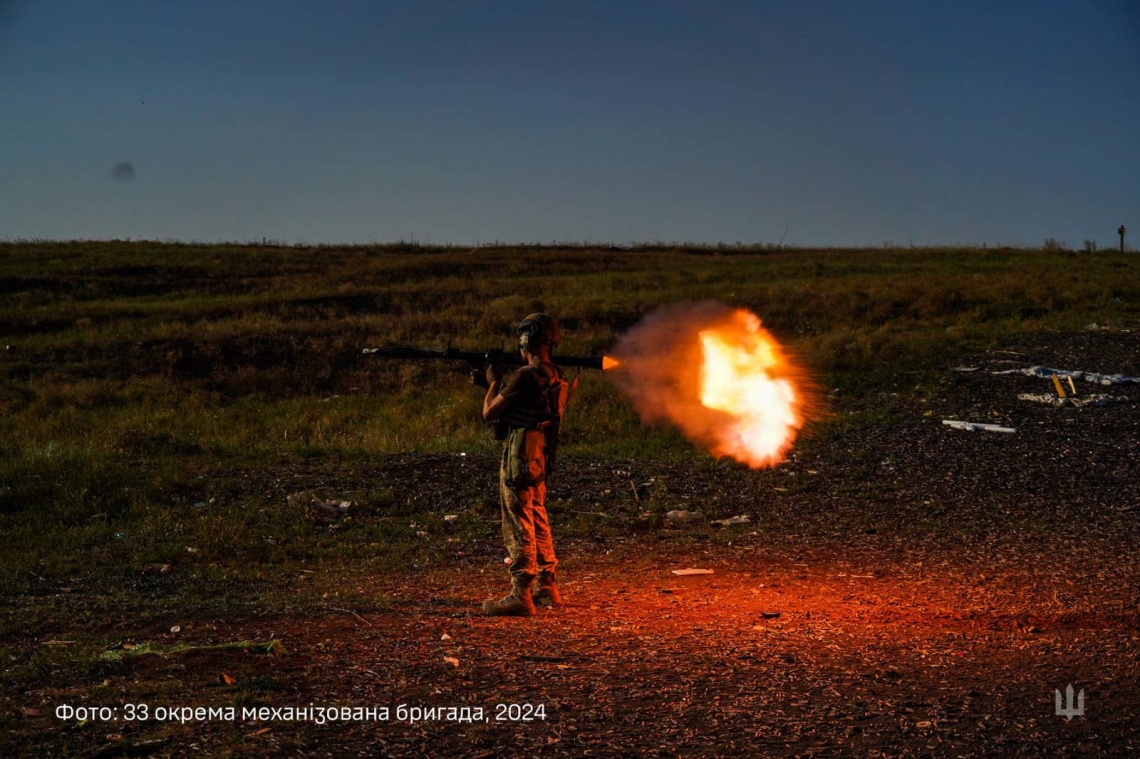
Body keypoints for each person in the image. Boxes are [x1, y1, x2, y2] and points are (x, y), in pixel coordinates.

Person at [476, 313, 570, 616]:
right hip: (540, 456)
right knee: (538, 517)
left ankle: (521, 593)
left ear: (527, 339)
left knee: (518, 521)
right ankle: (547, 586)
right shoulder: (555, 375)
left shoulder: (525, 376)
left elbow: (490, 413)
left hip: (519, 457)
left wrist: (491, 383)